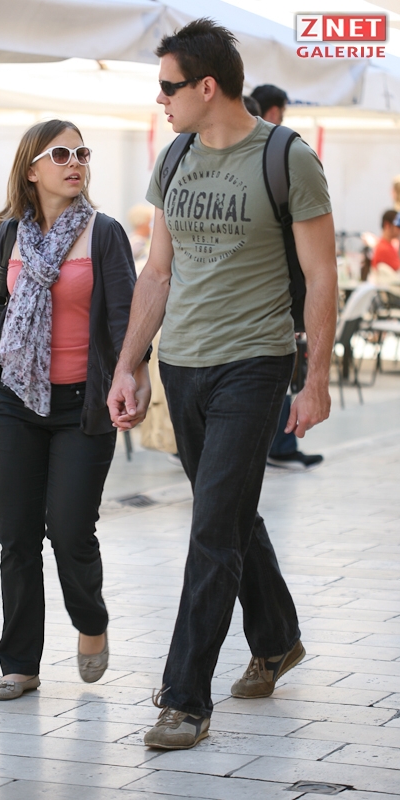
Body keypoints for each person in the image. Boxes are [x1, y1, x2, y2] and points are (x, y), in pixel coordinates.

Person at [108, 18, 337, 750]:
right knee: (229, 513)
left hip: (253, 363)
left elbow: (321, 276)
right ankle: (277, 638)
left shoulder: (285, 158)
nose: (160, 99)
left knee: (211, 526)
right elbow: (157, 273)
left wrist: (316, 379)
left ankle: (184, 700)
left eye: (168, 86)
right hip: (182, 365)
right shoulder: (173, 157)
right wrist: (129, 364)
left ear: (207, 87)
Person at [0, 119, 149, 701]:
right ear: (31, 169)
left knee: (69, 529)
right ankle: (19, 663)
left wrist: (134, 378)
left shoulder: (104, 233)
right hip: (15, 399)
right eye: (60, 154)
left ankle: (90, 619)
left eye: (81, 152)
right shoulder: (11, 234)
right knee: (17, 537)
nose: (75, 162)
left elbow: (126, 320)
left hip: (84, 404)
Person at [250, 83, 324, 471]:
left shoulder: (282, 155)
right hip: (272, 303)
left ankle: (280, 444)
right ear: (275, 111)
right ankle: (280, 445)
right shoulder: (282, 156)